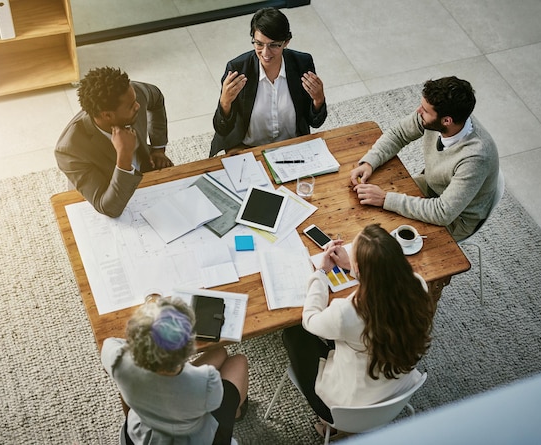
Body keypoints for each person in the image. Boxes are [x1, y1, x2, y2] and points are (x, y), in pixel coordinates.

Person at [283, 224, 434, 437]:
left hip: (349, 408)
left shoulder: (349, 312)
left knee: (293, 333)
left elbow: (310, 320)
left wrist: (320, 274)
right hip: (397, 390)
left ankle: (331, 427)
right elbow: (383, 282)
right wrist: (352, 265)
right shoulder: (418, 286)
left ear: (362, 270)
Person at [350, 76, 499, 241]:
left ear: (447, 121)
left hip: (456, 219)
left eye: (425, 110)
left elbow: (443, 212)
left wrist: (385, 198)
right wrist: (370, 161)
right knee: (362, 208)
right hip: (431, 186)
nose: (418, 111)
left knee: (383, 241)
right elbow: (398, 133)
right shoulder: (436, 119)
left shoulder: (476, 157)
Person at [101, 295, 249, 445]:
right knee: (238, 361)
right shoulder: (205, 380)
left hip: (141, 437)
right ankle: (236, 413)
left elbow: (109, 344)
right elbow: (214, 403)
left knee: (219, 353)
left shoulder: (120, 362)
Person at [55, 67, 173, 218]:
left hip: (145, 171)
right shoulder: (69, 149)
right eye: (131, 106)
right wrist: (124, 154)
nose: (138, 106)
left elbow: (156, 98)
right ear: (107, 115)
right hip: (105, 190)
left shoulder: (133, 94)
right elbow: (109, 208)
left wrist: (158, 148)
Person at [209, 7, 327, 157]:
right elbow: (222, 129)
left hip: (291, 146)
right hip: (245, 148)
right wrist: (225, 102)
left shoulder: (302, 63)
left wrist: (318, 99)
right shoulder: (237, 69)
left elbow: (315, 122)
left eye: (273, 45)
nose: (265, 53)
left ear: (286, 42)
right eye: (259, 44)